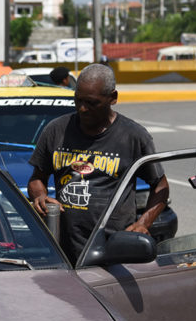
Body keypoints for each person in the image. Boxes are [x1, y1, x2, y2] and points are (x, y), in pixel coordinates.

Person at [28, 63, 169, 263]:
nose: (83, 109)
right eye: (78, 101)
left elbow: (161, 186)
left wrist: (143, 224)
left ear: (113, 98)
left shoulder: (133, 137)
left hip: (113, 252)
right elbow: (37, 178)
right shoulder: (56, 131)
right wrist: (40, 196)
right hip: (62, 250)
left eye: (92, 103)